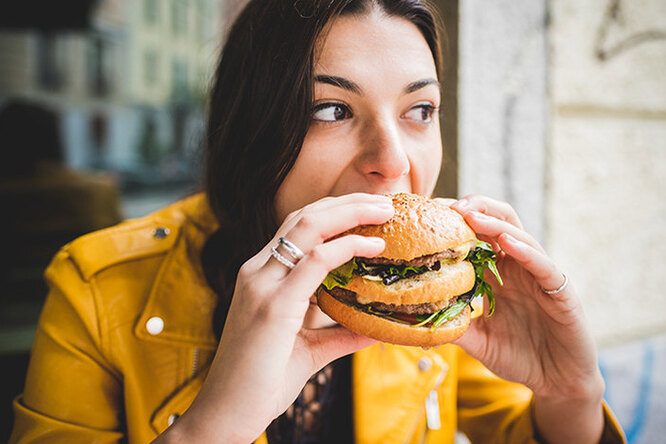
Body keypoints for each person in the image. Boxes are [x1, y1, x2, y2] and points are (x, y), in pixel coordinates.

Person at [10, 1, 625, 443]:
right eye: (331, 109)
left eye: (420, 110)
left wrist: (570, 396)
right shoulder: (94, 288)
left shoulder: (433, 296)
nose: (392, 163)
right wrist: (214, 426)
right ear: (252, 128)